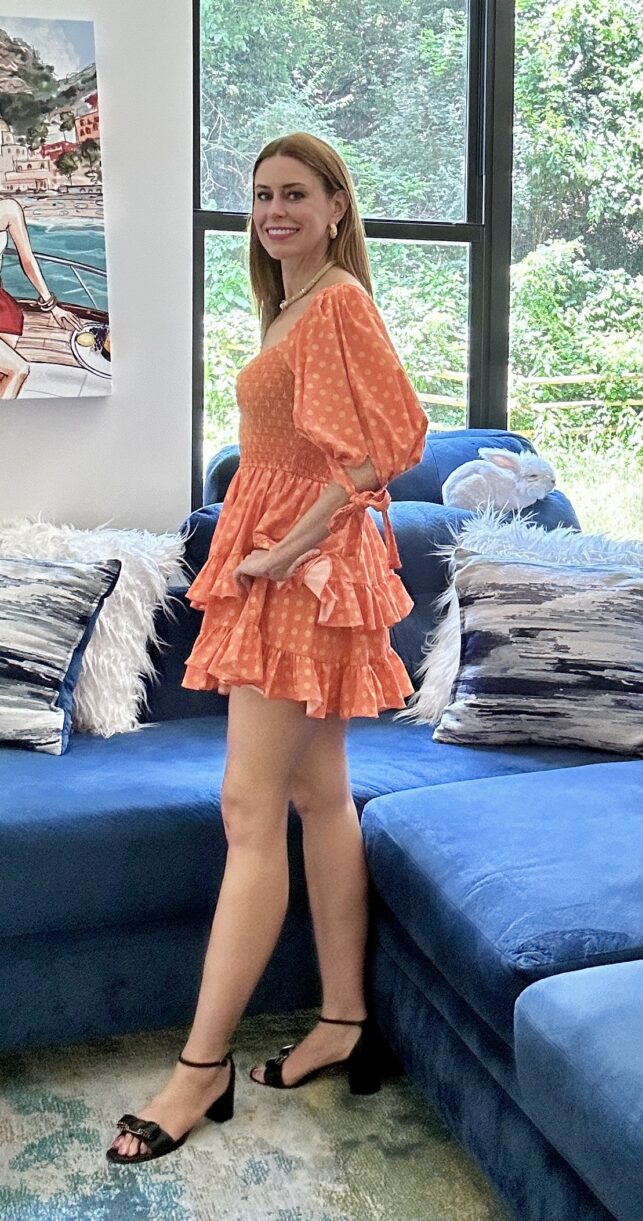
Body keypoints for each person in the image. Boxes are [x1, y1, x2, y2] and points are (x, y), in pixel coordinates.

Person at [106, 131, 429, 1164]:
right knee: (317, 796)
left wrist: (285, 548)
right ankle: (343, 1019)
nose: (274, 210)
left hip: (302, 573)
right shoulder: (290, 305)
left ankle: (199, 1068)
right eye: (261, 195)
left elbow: (395, 439)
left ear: (337, 207)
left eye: (295, 193)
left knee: (248, 810)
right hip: (292, 566)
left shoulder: (335, 302)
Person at [0, 195, 82, 398]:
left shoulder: (8, 208)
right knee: (17, 370)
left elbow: (28, 260)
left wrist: (51, 305)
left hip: (1, 303)